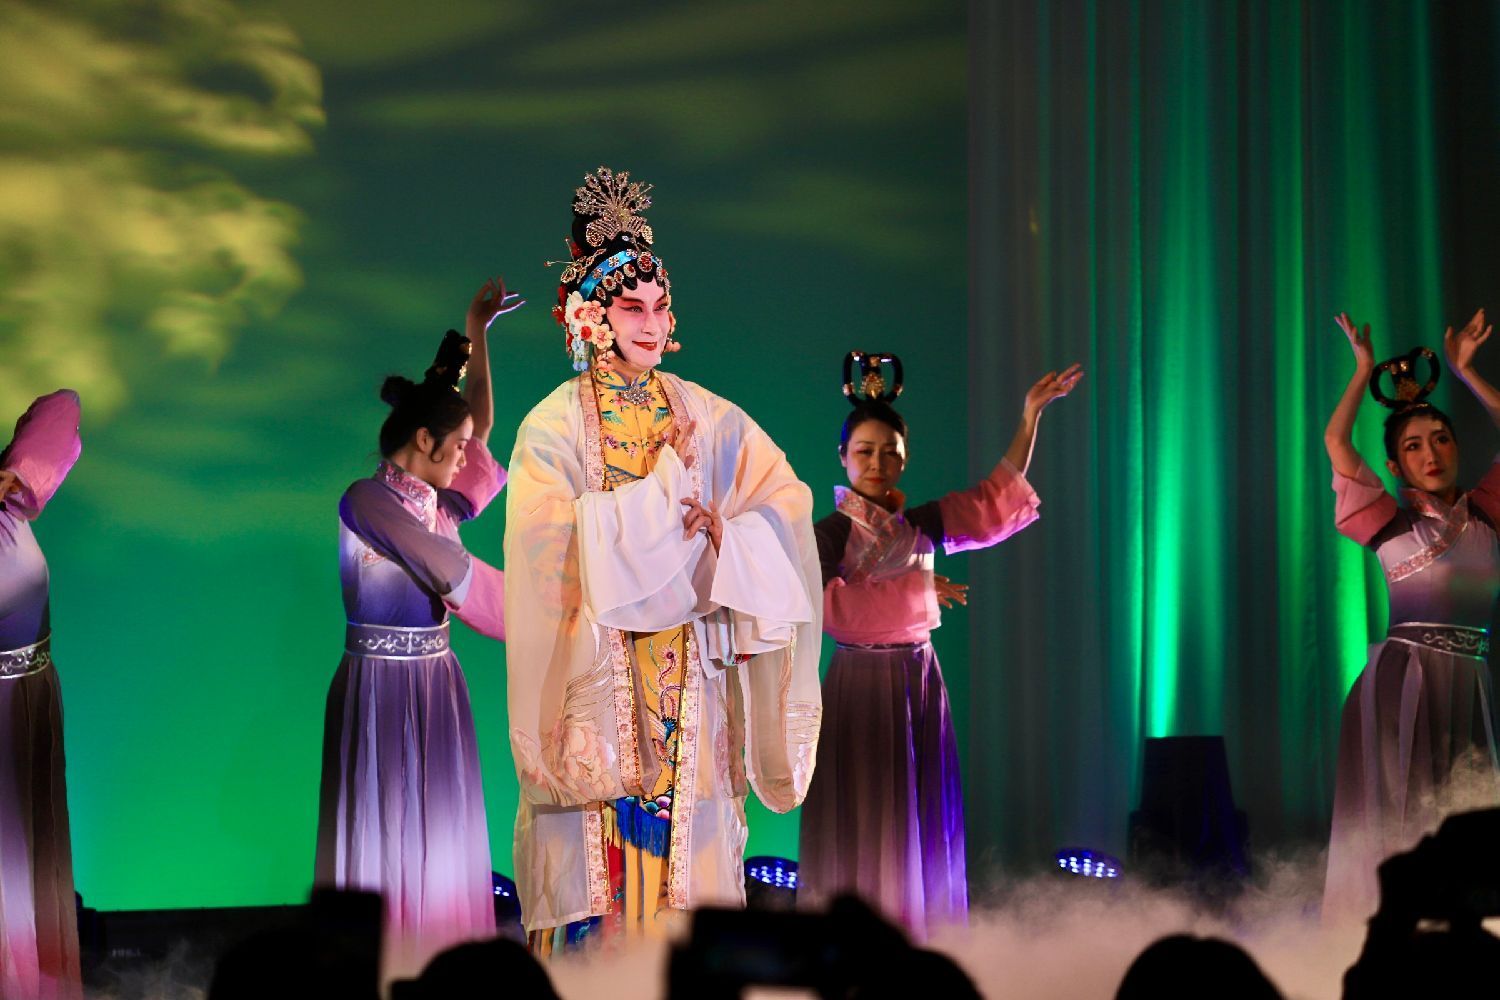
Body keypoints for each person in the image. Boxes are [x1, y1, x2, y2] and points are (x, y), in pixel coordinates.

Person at [503, 166, 822, 952]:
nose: (651, 323)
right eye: (631, 307)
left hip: (690, 672)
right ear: (592, 316)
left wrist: (728, 536)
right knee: (598, 862)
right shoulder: (552, 426)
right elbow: (546, 554)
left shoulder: (705, 412)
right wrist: (661, 491)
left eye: (660, 306)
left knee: (689, 873)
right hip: (600, 671)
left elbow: (786, 503)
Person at [796, 351, 1081, 939]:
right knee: (868, 813)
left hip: (917, 681)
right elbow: (829, 611)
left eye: (889, 452)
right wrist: (919, 588)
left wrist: (1030, 416)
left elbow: (994, 501)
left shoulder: (920, 523)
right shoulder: (827, 534)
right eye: (865, 452)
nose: (877, 463)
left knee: (918, 817)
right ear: (843, 457)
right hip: (860, 686)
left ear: (905, 458)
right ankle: (854, 941)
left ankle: (918, 938)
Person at [315, 279, 519, 975]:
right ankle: (382, 965)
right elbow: (449, 571)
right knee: (386, 828)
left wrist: (477, 332)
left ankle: (442, 960)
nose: (468, 457)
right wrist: (547, 614)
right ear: (423, 440)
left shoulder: (438, 503)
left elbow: (478, 425)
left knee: (438, 829)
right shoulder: (367, 502)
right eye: (455, 446)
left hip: (434, 685)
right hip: (381, 687)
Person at [1322, 309, 1500, 922]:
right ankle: (1391, 935)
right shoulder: (1389, 522)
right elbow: (1338, 444)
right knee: (1403, 817)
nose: (1432, 453)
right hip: (1405, 682)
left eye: (1442, 439)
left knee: (1469, 814)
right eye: (1414, 446)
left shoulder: (1486, 514)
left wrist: (1467, 372)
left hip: (1470, 680)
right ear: (1395, 466)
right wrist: (1362, 370)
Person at [0, 389, 83, 1000]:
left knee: (27, 850)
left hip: (29, 698)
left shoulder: (9, 507)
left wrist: (12, 472)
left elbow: (64, 406)